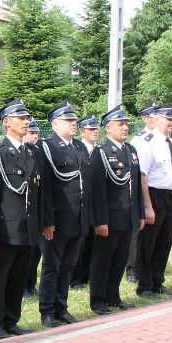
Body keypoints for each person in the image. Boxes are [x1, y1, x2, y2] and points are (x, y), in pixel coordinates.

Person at [0, 99, 41, 340]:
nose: (26, 121)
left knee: (19, 277)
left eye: (27, 118)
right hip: (5, 227)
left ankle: (11, 319)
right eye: (21, 118)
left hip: (27, 227)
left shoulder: (32, 152)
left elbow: (39, 192)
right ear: (7, 122)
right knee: (0, 276)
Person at [37, 102, 90, 328]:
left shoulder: (79, 147)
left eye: (74, 120)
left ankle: (61, 306)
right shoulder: (46, 147)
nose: (73, 124)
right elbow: (45, 189)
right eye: (68, 120)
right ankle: (47, 310)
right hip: (58, 218)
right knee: (52, 266)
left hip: (78, 217)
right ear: (55, 124)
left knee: (68, 265)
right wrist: (47, 220)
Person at [89, 106, 144, 315]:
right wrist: (100, 220)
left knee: (120, 259)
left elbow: (136, 185)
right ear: (108, 128)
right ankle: (98, 300)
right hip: (110, 217)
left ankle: (114, 295)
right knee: (102, 260)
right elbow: (97, 190)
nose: (125, 127)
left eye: (126, 124)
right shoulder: (101, 153)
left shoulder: (131, 151)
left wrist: (138, 213)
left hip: (128, 215)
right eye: (120, 124)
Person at [135, 104, 172, 298]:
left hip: (171, 196)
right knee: (148, 241)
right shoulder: (147, 141)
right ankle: (144, 285)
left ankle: (157, 281)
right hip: (154, 195)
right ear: (156, 120)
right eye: (168, 119)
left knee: (164, 241)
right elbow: (142, 176)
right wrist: (147, 206)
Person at [125, 102, 158, 284]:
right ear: (145, 118)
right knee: (138, 233)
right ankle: (132, 269)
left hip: (161, 191)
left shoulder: (162, 139)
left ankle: (148, 266)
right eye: (152, 116)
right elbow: (140, 172)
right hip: (144, 189)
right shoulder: (140, 140)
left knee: (155, 235)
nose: (155, 119)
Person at [69, 115, 99, 289]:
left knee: (91, 241)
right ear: (82, 131)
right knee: (79, 243)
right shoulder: (80, 149)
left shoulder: (99, 150)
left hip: (93, 202)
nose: (95, 132)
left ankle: (86, 275)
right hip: (80, 202)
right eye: (91, 129)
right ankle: (75, 277)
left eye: (96, 129)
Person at [22, 119, 42, 298]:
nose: (34, 135)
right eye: (31, 132)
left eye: (36, 133)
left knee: (35, 251)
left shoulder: (37, 152)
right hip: (22, 210)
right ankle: (22, 286)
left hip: (36, 209)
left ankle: (30, 283)